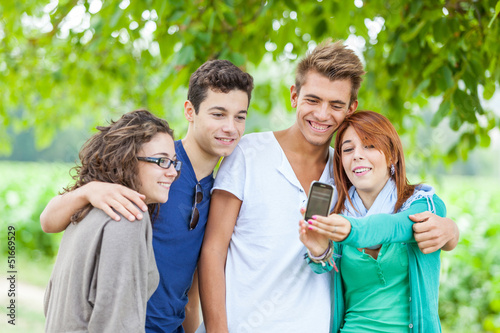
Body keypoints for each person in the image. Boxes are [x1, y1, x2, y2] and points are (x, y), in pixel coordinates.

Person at [197, 40, 459, 332]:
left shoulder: (349, 173)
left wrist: (450, 231)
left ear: (351, 108)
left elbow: (399, 219)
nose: (322, 115)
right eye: (313, 100)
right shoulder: (248, 152)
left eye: (336, 105)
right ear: (294, 96)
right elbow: (212, 251)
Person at [40, 60, 254, 332]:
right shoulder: (150, 168)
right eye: (218, 114)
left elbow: (190, 291)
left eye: (240, 116)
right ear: (190, 111)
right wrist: (89, 189)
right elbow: (49, 221)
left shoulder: (221, 190)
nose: (230, 128)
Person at [300, 110, 448, 332]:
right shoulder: (338, 214)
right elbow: (322, 270)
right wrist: (319, 250)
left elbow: (397, 226)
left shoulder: (425, 203)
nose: (357, 155)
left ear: (393, 156)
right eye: (348, 149)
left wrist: (351, 229)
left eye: (369, 145)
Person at [44, 110, 181, 332]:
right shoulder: (127, 216)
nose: (173, 172)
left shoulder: (87, 208)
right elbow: (117, 322)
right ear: (127, 159)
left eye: (174, 162)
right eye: (162, 161)